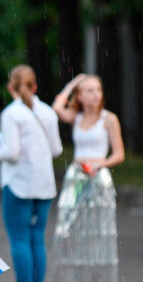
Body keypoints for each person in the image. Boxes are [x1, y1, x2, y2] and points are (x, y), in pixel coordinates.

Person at [0, 64, 62, 282]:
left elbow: (12, 153)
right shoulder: (48, 112)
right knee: (37, 239)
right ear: (35, 86)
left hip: (19, 184)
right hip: (44, 185)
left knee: (19, 239)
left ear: (11, 87)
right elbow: (57, 150)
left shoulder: (11, 114)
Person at [50, 74, 124, 282]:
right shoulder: (77, 116)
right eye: (90, 90)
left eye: (98, 90)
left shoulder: (109, 119)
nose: (95, 95)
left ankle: (98, 277)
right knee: (69, 228)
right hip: (76, 176)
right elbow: (57, 108)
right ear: (80, 96)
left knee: (99, 229)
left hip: (98, 175)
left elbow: (119, 153)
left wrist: (102, 164)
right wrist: (72, 84)